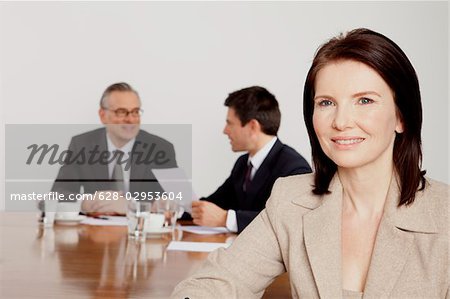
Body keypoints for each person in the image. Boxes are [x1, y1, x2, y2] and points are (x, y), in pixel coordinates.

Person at [172, 28, 449, 298]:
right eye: (326, 103)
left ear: (401, 117)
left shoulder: (444, 214)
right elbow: (219, 282)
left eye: (365, 100)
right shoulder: (291, 201)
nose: (341, 122)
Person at [191, 86, 311, 233]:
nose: (225, 130)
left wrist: (225, 219)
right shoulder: (243, 163)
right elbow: (216, 202)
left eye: (230, 123)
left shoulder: (294, 168)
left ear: (252, 126)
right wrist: (176, 209)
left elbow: (289, 220)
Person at [51, 82, 177, 215]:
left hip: (141, 231)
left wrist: (131, 206)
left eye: (135, 112)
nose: (130, 119)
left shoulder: (161, 148)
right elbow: (58, 193)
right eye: (121, 112)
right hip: (95, 231)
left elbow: (175, 200)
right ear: (103, 115)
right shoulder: (82, 145)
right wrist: (86, 203)